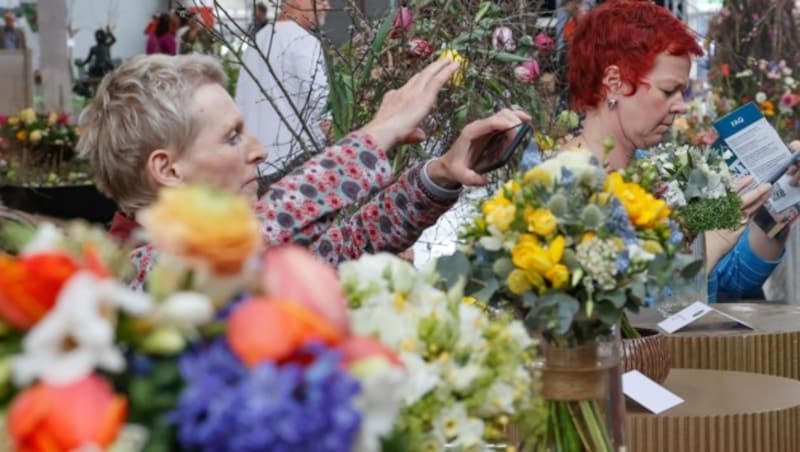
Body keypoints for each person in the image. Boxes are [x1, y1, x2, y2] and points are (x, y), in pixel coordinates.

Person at [77, 54, 529, 288]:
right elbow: (265, 224)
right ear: (168, 170)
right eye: (232, 137)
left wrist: (442, 173)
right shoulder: (133, 275)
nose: (259, 149)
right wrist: (376, 134)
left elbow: (350, 243)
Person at [563, 0, 798, 302]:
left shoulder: (660, 173)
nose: (681, 105)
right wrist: (712, 240)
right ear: (613, 82)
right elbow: (629, 318)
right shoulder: (564, 187)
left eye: (682, 91)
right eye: (668, 91)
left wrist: (779, 203)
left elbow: (731, 280)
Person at [235, 0, 331, 180]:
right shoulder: (302, 40)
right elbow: (323, 107)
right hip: (296, 163)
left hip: (255, 165)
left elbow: (240, 104)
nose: (328, 6)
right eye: (321, 0)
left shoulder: (258, 39)